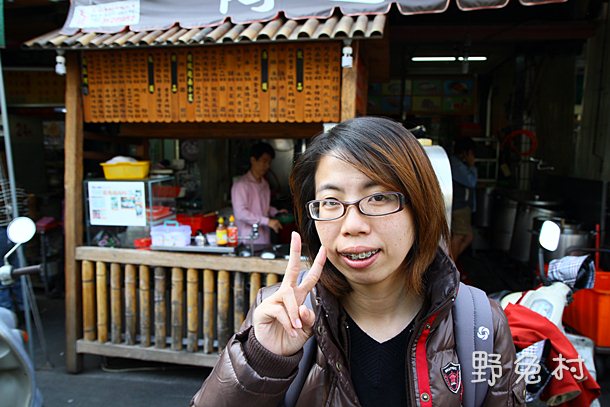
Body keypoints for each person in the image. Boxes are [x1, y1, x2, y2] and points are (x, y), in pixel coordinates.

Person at [191, 117, 523, 406]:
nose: (351, 225)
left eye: (378, 197)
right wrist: (263, 360)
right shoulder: (282, 313)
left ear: (420, 206)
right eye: (330, 201)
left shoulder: (480, 324)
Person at [231, 142, 284, 245]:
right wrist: (267, 221)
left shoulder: (264, 184)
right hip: (248, 239)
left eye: (269, 162)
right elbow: (241, 213)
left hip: (264, 238)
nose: (267, 166)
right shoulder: (241, 185)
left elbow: (262, 208)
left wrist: (276, 212)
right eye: (264, 161)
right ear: (253, 160)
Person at [449, 137, 478, 261]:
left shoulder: (457, 164)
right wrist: (472, 165)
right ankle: (449, 267)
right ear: (466, 152)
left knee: (466, 236)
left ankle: (450, 265)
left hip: (460, 206)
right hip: (460, 207)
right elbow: (471, 181)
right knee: (460, 236)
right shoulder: (457, 165)